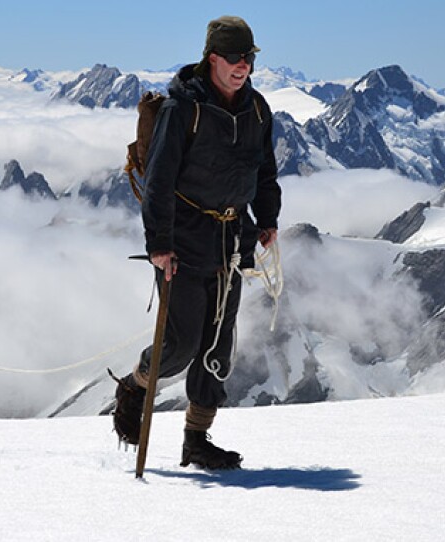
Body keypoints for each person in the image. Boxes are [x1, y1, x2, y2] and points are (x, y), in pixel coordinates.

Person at [111, 16, 281, 469]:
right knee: (181, 344)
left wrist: (267, 218)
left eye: (248, 57)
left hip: (230, 239)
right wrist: (159, 243)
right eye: (234, 58)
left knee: (217, 346)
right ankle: (136, 384)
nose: (243, 66)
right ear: (212, 59)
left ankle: (197, 439)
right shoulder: (181, 110)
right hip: (183, 241)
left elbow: (264, 169)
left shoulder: (258, 109)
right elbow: (160, 179)